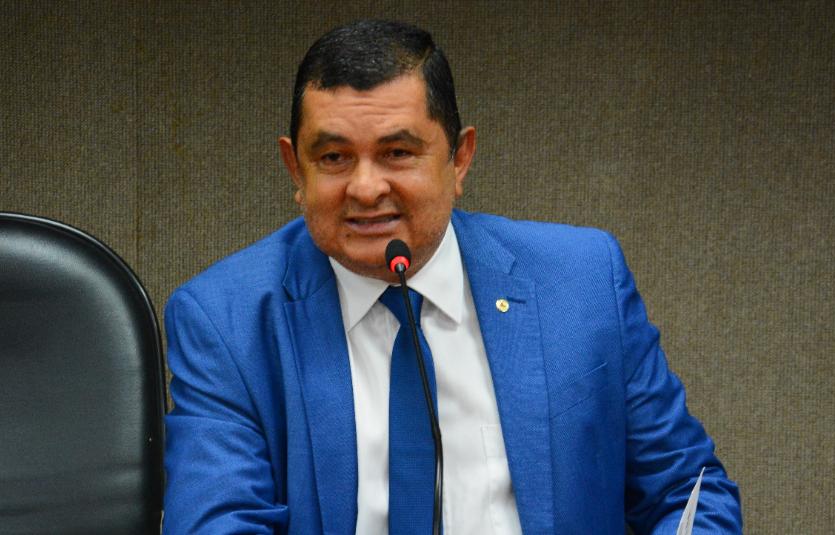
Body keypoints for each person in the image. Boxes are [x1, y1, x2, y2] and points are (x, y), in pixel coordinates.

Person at [162, 19, 742, 534]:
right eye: (334, 158)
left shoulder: (582, 282)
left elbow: (687, 490)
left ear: (460, 159)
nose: (365, 188)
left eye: (397, 152)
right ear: (296, 169)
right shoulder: (226, 322)